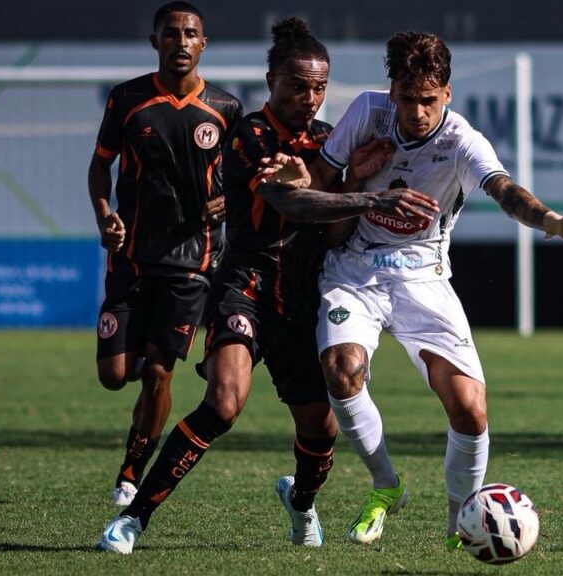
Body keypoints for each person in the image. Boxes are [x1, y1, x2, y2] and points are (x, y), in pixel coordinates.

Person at [96, 17, 437, 554]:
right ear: (272, 81)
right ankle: (132, 520)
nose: (310, 98)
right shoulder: (250, 134)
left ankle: (301, 502)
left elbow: (336, 231)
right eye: (298, 86)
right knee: (224, 402)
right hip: (246, 284)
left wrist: (351, 178)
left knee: (320, 428)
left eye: (319, 88)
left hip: (305, 295)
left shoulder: (329, 141)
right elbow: (288, 201)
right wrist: (372, 196)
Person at [299, 31, 563, 548]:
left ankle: (459, 520)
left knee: (469, 408)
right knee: (341, 370)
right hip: (354, 270)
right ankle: (385, 485)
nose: (417, 111)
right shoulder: (367, 112)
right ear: (392, 91)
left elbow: (506, 192)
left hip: (423, 277)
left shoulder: (462, 140)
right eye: (407, 98)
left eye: (429, 99)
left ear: (447, 92)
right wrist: (354, 178)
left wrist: (555, 223)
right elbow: (315, 185)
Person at [87, 0, 242, 510]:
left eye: (190, 33)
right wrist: (105, 214)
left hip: (191, 263)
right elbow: (100, 166)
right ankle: (138, 361)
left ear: (204, 43)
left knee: (159, 372)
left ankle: (131, 471)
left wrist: (230, 199)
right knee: (114, 376)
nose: (181, 41)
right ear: (155, 41)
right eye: (171, 33)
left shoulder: (225, 108)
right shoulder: (127, 99)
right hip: (131, 256)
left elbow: (245, 178)